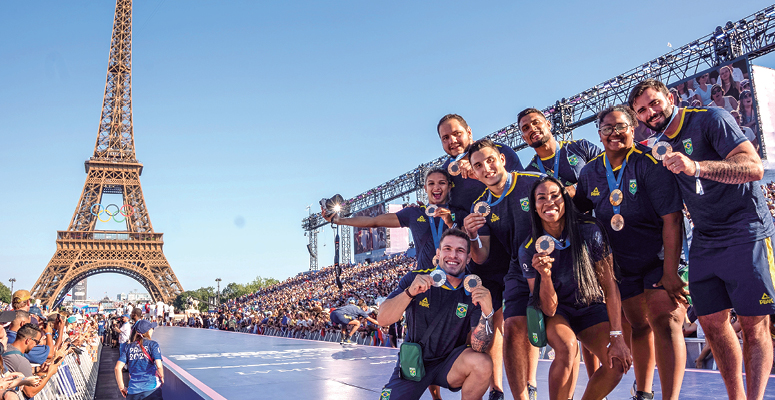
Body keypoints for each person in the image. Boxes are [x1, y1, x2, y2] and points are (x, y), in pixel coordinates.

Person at [629, 79, 775, 400]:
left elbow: (753, 167)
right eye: (642, 110)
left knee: (753, 325)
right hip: (706, 239)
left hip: (746, 230)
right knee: (710, 324)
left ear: (670, 98)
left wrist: (697, 167)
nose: (650, 113)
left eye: (654, 103)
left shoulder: (711, 118)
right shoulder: (657, 148)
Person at [574, 105, 687, 400]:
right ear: (599, 135)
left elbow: (672, 220)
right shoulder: (590, 172)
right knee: (638, 325)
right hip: (621, 266)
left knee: (665, 319)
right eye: (607, 128)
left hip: (659, 259)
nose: (615, 133)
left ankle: (670, 397)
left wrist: (671, 271)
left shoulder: (650, 162)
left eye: (621, 126)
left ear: (633, 128)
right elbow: (581, 211)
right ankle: (644, 392)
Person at [521, 176, 631, 400]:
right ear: (534, 206)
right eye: (541, 198)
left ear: (565, 199)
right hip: (559, 311)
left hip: (589, 306)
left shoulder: (590, 231)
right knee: (567, 347)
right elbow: (549, 310)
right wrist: (545, 275)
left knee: (616, 363)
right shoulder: (529, 248)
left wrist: (617, 336)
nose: (549, 202)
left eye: (555, 196)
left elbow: (610, 287)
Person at [437, 114, 523, 400]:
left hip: (517, 251)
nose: (452, 141)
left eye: (456, 134)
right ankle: (497, 388)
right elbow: (455, 219)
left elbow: (518, 189)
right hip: (483, 257)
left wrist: (473, 167)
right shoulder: (448, 175)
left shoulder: (500, 153)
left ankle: (527, 387)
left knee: (520, 323)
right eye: (445, 138)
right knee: (493, 321)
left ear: (469, 131)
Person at [462, 138, 543, 400]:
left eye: (490, 160)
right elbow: (482, 255)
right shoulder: (480, 206)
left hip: (556, 265)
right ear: (473, 173)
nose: (486, 168)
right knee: (513, 327)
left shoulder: (534, 181)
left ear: (502, 160)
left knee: (567, 337)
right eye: (478, 166)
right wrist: (472, 235)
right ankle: (522, 396)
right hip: (518, 271)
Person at [377, 229, 494, 400]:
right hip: (414, 361)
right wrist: (409, 293)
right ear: (438, 254)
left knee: (482, 364)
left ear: (468, 258)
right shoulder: (415, 278)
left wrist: (488, 313)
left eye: (460, 251)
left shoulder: (473, 290)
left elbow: (479, 348)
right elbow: (382, 319)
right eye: (447, 249)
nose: (453, 255)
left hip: (450, 364)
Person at [519, 107, 602, 197]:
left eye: (536, 122)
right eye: (526, 128)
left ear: (548, 125)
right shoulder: (529, 174)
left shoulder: (581, 146)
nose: (532, 128)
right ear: (524, 139)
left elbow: (608, 170)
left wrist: (574, 188)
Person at [2, 324, 58, 399]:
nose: (36, 345)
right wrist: (50, 372)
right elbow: (30, 392)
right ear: (28, 340)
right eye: (37, 342)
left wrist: (36, 369)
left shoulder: (6, 349)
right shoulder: (21, 361)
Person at [115, 320, 164, 399]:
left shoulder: (129, 347)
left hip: (133, 392)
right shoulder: (153, 344)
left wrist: (122, 387)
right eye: (152, 329)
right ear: (148, 331)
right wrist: (161, 377)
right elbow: (159, 365)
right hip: (151, 389)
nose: (152, 331)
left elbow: (117, 368)